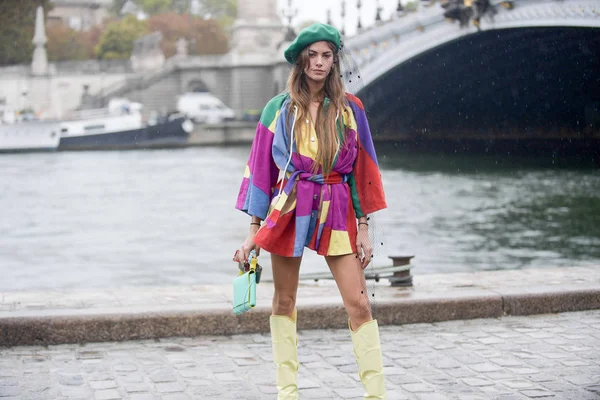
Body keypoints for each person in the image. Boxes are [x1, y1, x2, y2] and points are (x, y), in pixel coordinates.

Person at [234, 23, 387, 400]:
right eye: (312, 55)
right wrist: (253, 232)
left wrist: (363, 227)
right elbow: (261, 172)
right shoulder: (278, 109)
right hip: (289, 208)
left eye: (326, 55)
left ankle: (376, 394)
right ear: (301, 61)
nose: (319, 63)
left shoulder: (351, 111)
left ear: (335, 61)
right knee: (284, 301)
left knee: (360, 304)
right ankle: (288, 392)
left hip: (336, 208)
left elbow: (361, 172)